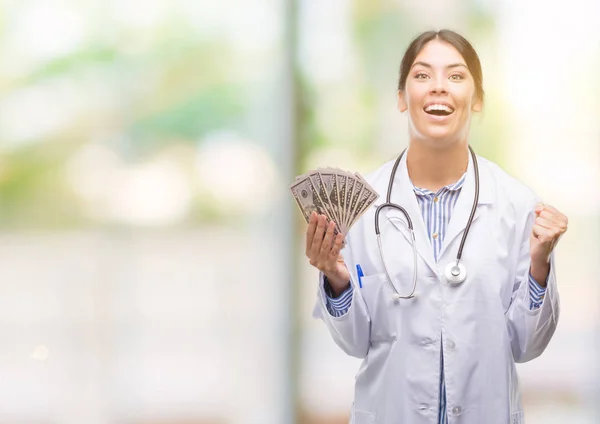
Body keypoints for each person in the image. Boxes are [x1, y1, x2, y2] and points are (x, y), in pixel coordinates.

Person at [306, 29, 567, 424]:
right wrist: (336, 279)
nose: (439, 88)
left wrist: (540, 265)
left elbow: (526, 345)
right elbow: (355, 342)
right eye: (423, 75)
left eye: (456, 76)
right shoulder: (361, 205)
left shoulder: (517, 205)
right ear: (400, 97)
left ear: (477, 99)